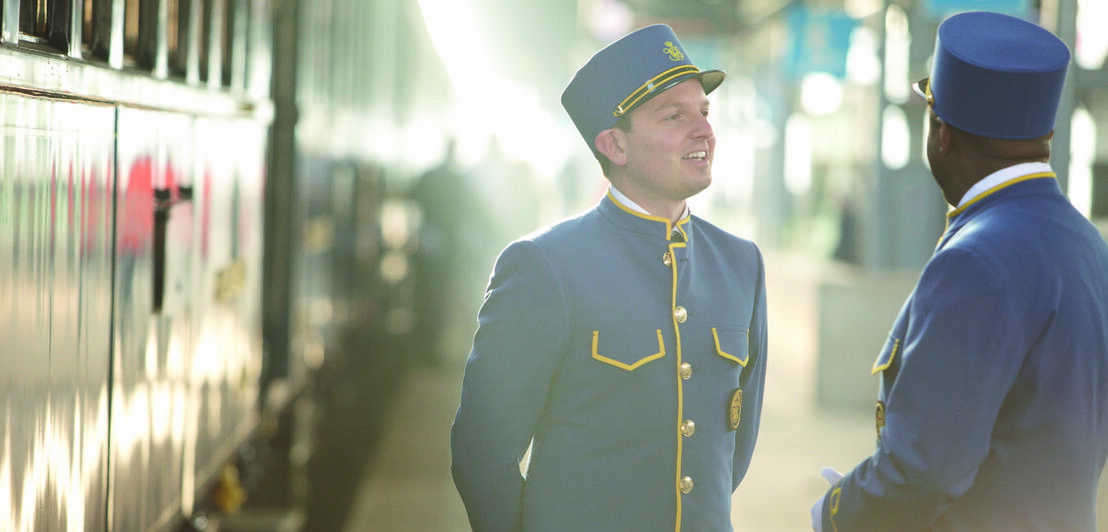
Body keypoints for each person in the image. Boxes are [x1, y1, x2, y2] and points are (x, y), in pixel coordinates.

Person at [451, 24, 767, 532]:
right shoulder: (544, 267)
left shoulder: (741, 264)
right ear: (614, 145)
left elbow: (733, 446)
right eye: (674, 117)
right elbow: (481, 454)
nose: (703, 131)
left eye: (704, 113)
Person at [811, 11, 1108, 532]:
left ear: (941, 132)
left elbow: (922, 473)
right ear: (1047, 130)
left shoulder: (975, 260)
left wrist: (834, 515)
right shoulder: (1085, 244)